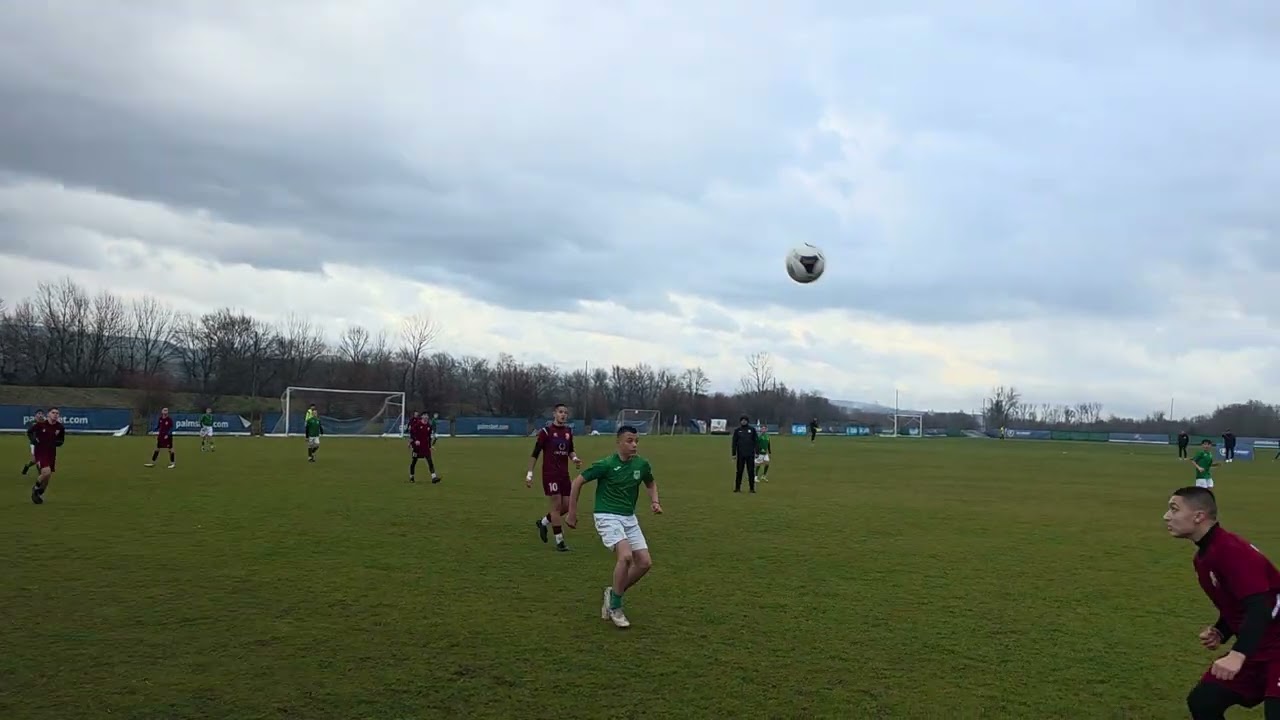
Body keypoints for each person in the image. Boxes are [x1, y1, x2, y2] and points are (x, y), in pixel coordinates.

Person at [1164, 486, 1280, 718]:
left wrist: (1237, 654)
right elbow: (1240, 603)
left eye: (1174, 509)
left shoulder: (1231, 550)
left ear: (1199, 516)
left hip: (1273, 646)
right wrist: (1221, 630)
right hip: (1259, 646)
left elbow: (1260, 607)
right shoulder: (1205, 557)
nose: (1166, 516)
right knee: (1204, 702)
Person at [565, 425, 662, 629]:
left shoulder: (642, 465)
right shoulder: (606, 464)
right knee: (625, 557)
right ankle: (615, 607)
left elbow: (651, 483)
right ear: (618, 442)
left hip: (629, 518)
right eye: (629, 440)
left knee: (644, 563)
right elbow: (577, 482)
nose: (634, 444)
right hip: (606, 515)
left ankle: (613, 593)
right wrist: (572, 512)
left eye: (636, 441)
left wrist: (654, 501)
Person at [526, 403, 582, 552]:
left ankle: (543, 522)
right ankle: (560, 542)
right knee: (556, 507)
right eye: (560, 412)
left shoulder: (568, 432)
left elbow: (570, 451)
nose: (563, 415)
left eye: (565, 413)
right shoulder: (546, 431)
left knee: (566, 506)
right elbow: (535, 453)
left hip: (564, 474)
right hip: (550, 474)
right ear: (554, 414)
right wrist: (529, 474)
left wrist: (575, 458)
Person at [29, 408, 65, 504]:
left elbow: (61, 441)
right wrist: (34, 440)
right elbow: (30, 432)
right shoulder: (40, 425)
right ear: (48, 414)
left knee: (47, 480)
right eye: (53, 412)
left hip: (51, 453)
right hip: (40, 452)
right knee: (46, 472)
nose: (55, 414)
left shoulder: (60, 427)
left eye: (57, 413)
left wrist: (56, 443)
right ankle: (35, 488)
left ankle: (39, 493)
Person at [407, 410, 440, 483]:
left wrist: (430, 446)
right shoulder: (417, 424)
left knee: (430, 461)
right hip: (417, 448)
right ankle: (411, 477)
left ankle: (434, 477)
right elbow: (412, 433)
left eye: (427, 415)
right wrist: (415, 440)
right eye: (424, 415)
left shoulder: (429, 426)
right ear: (422, 417)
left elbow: (429, 437)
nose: (425, 417)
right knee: (414, 462)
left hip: (425, 447)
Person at [730, 415, 759, 493]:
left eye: (745, 420)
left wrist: (757, 452)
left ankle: (752, 488)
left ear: (747, 421)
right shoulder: (737, 430)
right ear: (740, 421)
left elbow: (756, 441)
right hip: (740, 454)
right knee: (739, 471)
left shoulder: (752, 430)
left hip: (750, 454)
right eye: (742, 420)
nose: (743, 421)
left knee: (751, 472)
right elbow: (734, 443)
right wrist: (733, 454)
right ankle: (737, 488)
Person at [21, 409, 45, 475]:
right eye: (39, 413)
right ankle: (41, 476)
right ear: (36, 415)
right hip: (34, 444)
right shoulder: (32, 423)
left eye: (41, 413)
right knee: (38, 460)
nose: (40, 415)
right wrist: (33, 440)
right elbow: (29, 432)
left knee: (34, 460)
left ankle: (27, 466)